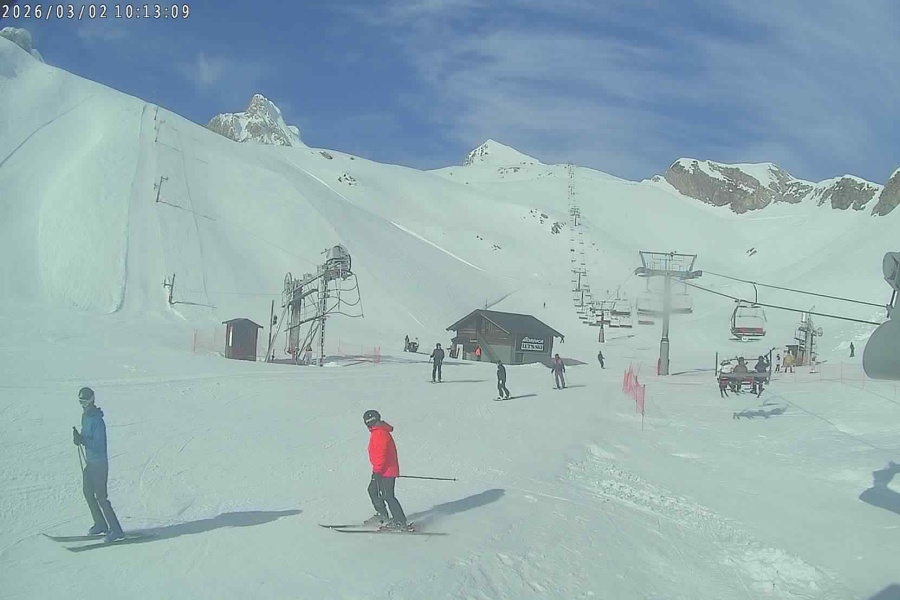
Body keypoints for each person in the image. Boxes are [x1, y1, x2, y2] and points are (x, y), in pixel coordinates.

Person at [72, 387, 124, 543]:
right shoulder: (85, 417)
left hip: (99, 463)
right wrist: (78, 438)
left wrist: (83, 440)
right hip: (90, 462)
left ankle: (116, 530)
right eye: (80, 402)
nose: (82, 405)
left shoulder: (97, 421)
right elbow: (86, 436)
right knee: (88, 492)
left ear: (91, 401)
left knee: (101, 497)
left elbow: (99, 445)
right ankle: (100, 523)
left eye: (85, 402)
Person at [362, 410, 408, 530]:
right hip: (382, 470)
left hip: (386, 470)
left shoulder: (380, 433)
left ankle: (400, 521)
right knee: (373, 491)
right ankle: (382, 516)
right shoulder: (377, 432)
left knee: (387, 495)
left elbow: (381, 455)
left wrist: (377, 471)